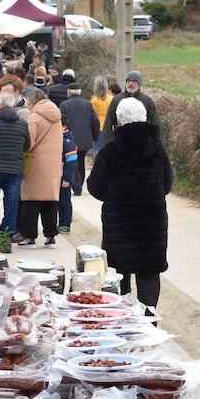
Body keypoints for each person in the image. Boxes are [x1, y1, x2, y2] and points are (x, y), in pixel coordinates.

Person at [86, 98, 172, 310]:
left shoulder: (111, 150)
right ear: (145, 118)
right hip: (152, 225)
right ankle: (149, 324)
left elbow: (95, 187)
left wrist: (115, 196)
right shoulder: (158, 150)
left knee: (118, 276)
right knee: (149, 275)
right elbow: (167, 184)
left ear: (119, 121)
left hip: (120, 226)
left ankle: (122, 322)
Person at [15, 87, 63, 246]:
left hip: (36, 163)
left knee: (31, 200)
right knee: (50, 200)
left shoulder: (34, 117)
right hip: (53, 163)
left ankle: (29, 236)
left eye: (28, 101)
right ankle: (51, 236)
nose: (27, 105)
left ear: (33, 99)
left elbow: (30, 142)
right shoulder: (56, 115)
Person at [0, 84, 29, 237]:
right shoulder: (23, 123)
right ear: (13, 104)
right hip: (15, 168)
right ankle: (7, 236)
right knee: (11, 205)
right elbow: (27, 145)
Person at [61, 81, 99, 195]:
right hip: (85, 138)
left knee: (73, 161)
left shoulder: (64, 105)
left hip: (70, 138)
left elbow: (61, 121)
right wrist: (95, 136)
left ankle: (76, 185)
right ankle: (79, 184)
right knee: (80, 161)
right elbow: (95, 121)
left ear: (68, 92)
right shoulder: (88, 104)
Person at [101, 70, 159, 142]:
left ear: (139, 83)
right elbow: (108, 123)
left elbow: (156, 123)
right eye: (128, 81)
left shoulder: (147, 101)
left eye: (134, 81)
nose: (130, 83)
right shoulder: (117, 100)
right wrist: (106, 144)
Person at [57, 120, 77, 233]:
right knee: (59, 201)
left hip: (64, 177)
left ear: (64, 126)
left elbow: (71, 162)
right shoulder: (59, 139)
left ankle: (66, 224)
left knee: (65, 201)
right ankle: (61, 222)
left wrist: (67, 178)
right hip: (58, 176)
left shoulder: (68, 142)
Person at [89, 76, 113, 149]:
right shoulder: (111, 98)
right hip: (109, 127)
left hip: (98, 128)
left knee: (97, 149)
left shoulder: (93, 100)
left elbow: (92, 116)